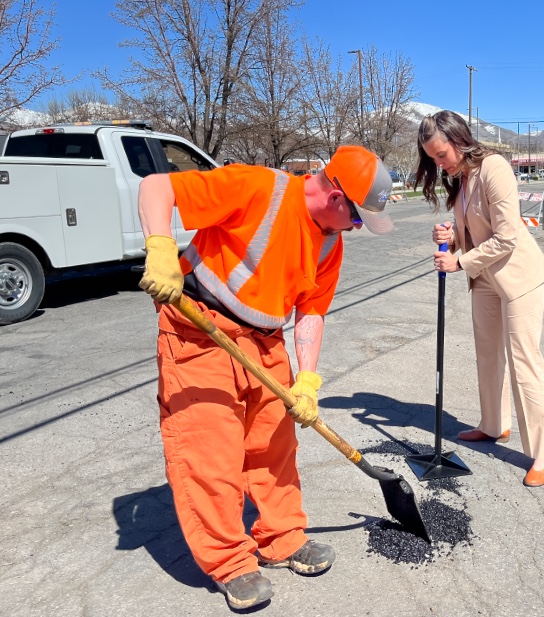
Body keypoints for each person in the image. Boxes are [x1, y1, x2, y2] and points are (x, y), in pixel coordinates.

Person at [137, 145, 394, 610]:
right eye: (356, 218)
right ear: (337, 197)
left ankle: (283, 538)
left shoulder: (330, 243)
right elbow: (157, 187)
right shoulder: (258, 187)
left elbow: (312, 313)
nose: (355, 229)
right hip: (199, 330)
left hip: (265, 338)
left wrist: (308, 381)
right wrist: (159, 247)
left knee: (275, 446)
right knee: (210, 453)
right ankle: (231, 563)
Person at [415, 110, 544, 488]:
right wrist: (450, 235)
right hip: (486, 279)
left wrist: (458, 261)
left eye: (441, 154)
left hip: (518, 277)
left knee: (524, 361)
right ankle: (494, 425)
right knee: (487, 355)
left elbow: (508, 236)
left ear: (460, 141)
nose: (438, 163)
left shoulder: (494, 168)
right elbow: (476, 235)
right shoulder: (461, 180)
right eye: (432, 158)